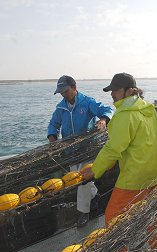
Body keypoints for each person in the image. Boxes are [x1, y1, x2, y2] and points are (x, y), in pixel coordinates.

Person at [81, 73, 157, 252]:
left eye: (116, 90)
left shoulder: (124, 115)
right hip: (154, 173)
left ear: (129, 91)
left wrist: (95, 170)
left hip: (134, 177)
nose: (112, 93)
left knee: (114, 217)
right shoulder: (148, 110)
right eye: (111, 90)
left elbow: (113, 148)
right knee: (154, 213)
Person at [47, 75, 114, 227]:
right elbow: (54, 124)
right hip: (70, 152)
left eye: (65, 90)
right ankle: (95, 196)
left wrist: (103, 120)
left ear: (74, 87)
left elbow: (108, 109)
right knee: (76, 179)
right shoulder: (60, 108)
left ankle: (84, 212)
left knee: (81, 180)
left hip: (87, 149)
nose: (64, 94)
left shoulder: (87, 102)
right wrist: (52, 138)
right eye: (61, 92)